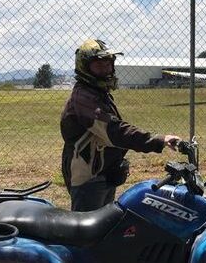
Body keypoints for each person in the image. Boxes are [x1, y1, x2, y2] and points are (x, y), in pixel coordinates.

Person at [60, 38, 181, 211]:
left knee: (105, 227)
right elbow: (114, 131)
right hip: (89, 178)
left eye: (108, 64)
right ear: (85, 67)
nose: (106, 70)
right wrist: (158, 140)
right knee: (88, 232)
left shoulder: (97, 93)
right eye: (99, 66)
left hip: (103, 173)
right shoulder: (84, 98)